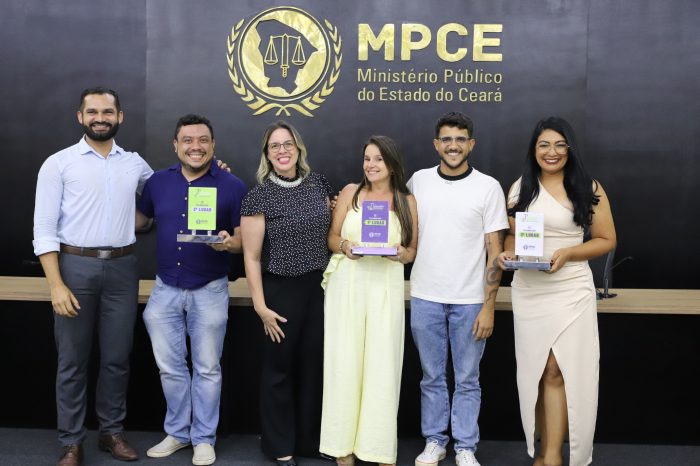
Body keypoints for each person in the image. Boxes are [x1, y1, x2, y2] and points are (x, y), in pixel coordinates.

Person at [33, 87, 153, 466]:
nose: (100, 118)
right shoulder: (59, 164)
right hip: (74, 268)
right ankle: (71, 442)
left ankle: (111, 432)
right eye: (93, 112)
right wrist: (56, 285)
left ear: (120, 117)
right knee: (72, 361)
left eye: (107, 112)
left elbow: (166, 196)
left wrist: (212, 176)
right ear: (80, 117)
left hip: (123, 268)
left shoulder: (134, 164)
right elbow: (44, 229)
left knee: (117, 358)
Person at [497, 117, 616, 466]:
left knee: (560, 369)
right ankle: (543, 449)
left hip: (571, 288)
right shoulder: (520, 188)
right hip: (530, 290)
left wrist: (568, 254)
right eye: (544, 145)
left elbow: (606, 239)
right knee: (537, 371)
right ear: (534, 150)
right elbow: (512, 236)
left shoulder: (587, 187)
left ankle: (553, 456)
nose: (552, 152)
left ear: (570, 149)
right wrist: (507, 253)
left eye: (560, 144)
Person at [136, 114, 247, 466]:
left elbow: (242, 240)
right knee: (170, 368)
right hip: (165, 288)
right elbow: (140, 220)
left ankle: (203, 438)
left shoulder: (232, 185)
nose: (195, 146)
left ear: (213, 145)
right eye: (187, 140)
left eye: (202, 140)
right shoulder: (157, 183)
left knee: (207, 369)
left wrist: (228, 243)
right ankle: (178, 433)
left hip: (210, 289)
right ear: (175, 145)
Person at [409, 112, 509, 466]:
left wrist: (488, 306)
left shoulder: (488, 187)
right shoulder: (418, 182)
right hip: (425, 297)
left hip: (470, 301)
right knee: (431, 377)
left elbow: (495, 252)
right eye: (447, 139)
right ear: (436, 144)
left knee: (468, 379)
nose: (453, 146)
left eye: (460, 139)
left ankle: (465, 446)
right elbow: (390, 218)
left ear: (471, 144)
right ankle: (435, 441)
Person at [320, 136, 418, 466]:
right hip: (347, 285)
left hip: (385, 286)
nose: (371, 165)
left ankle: (378, 447)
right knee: (344, 363)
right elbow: (332, 238)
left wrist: (401, 253)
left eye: (378, 159)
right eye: (367, 158)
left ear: (392, 164)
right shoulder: (351, 192)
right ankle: (341, 446)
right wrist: (346, 246)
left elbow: (412, 251)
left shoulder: (406, 200)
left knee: (383, 365)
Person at [240, 121, 334, 466]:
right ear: (267, 154)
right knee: (278, 371)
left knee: (312, 366)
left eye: (288, 144)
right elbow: (251, 257)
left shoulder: (318, 183)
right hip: (279, 291)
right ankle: (279, 445)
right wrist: (260, 307)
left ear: (298, 148)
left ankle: (309, 441)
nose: (282, 150)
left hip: (317, 289)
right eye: (275, 146)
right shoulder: (259, 196)